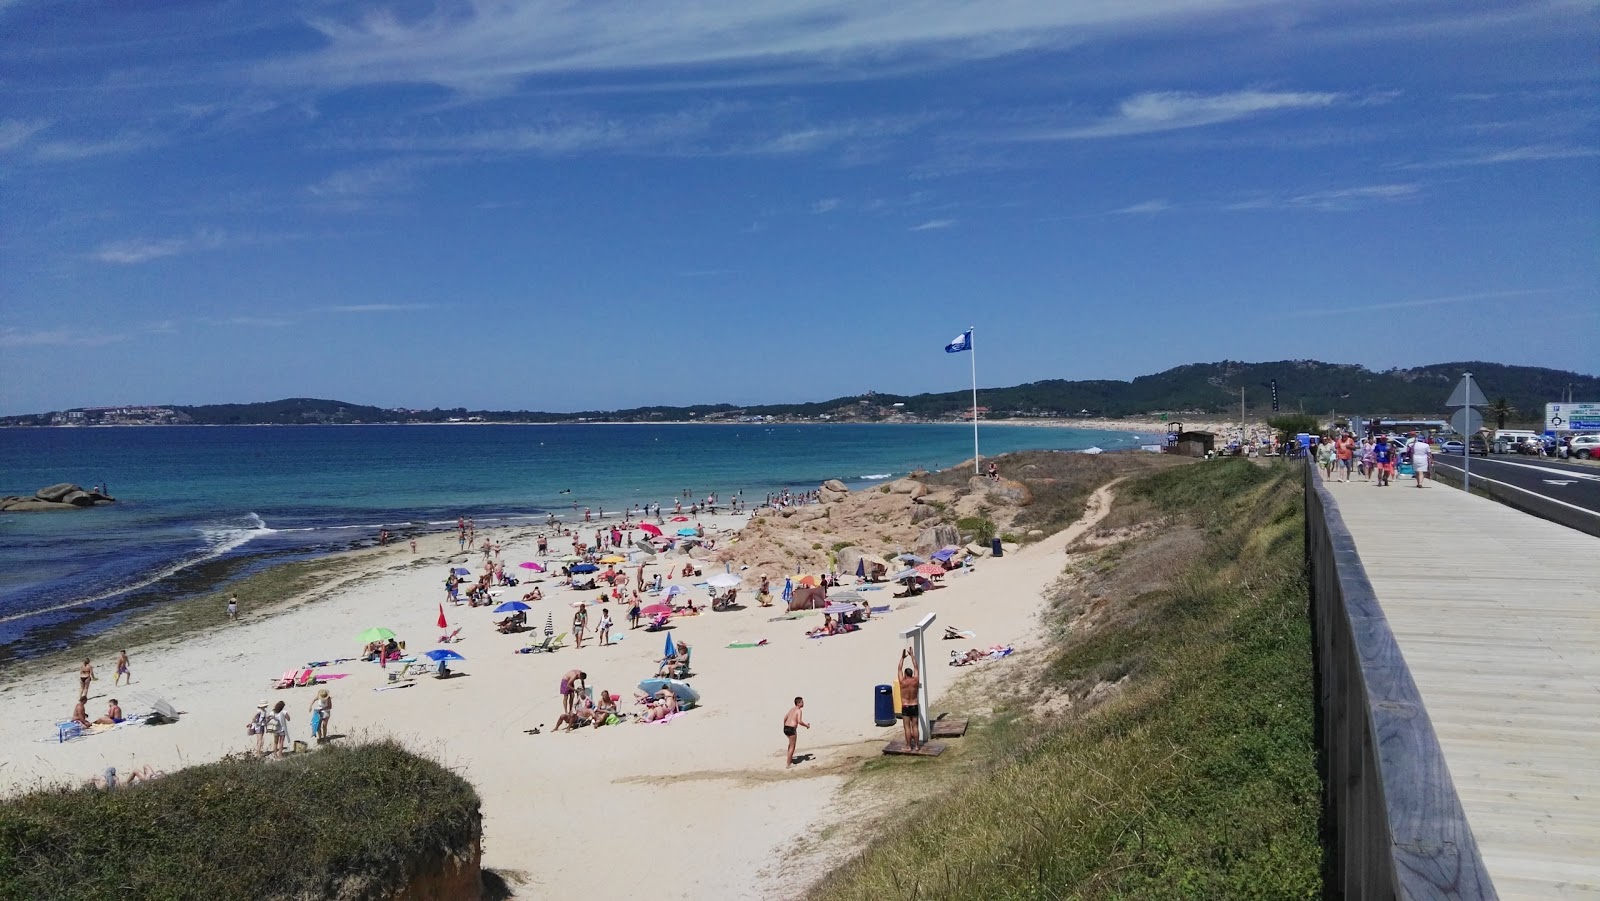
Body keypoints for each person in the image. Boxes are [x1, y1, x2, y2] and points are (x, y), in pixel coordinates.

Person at [898, 649, 922, 752]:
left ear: (905, 674)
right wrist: (912, 656)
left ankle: (908, 746)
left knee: (907, 727)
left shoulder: (902, 681)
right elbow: (916, 667)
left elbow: (899, 669)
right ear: (911, 674)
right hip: (914, 704)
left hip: (906, 706)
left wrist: (902, 658)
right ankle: (916, 746)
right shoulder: (915, 680)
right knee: (915, 726)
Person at [783, 697, 810, 768]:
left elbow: (785, 718)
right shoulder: (799, 710)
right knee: (792, 746)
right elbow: (799, 721)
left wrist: (785, 726)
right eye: (802, 702)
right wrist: (806, 725)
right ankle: (788, 764)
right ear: (798, 703)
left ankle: (789, 759)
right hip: (791, 729)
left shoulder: (792, 709)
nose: (803, 703)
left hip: (786, 728)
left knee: (790, 744)